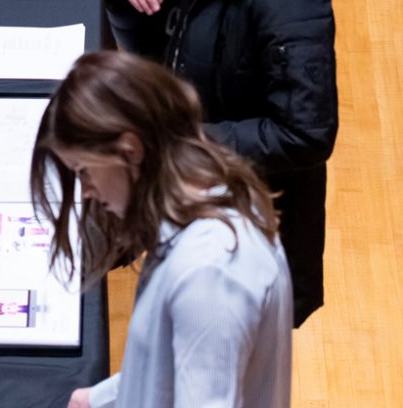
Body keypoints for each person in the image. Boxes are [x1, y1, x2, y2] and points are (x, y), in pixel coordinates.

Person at [86, 0, 338, 326]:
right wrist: (128, 0)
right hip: (201, 206)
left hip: (254, 238)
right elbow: (171, 62)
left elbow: (306, 134)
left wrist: (179, 142)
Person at [31, 50, 293, 408]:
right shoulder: (202, 199)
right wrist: (97, 398)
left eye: (84, 171)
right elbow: (173, 361)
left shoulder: (208, 273)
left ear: (131, 150)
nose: (87, 190)